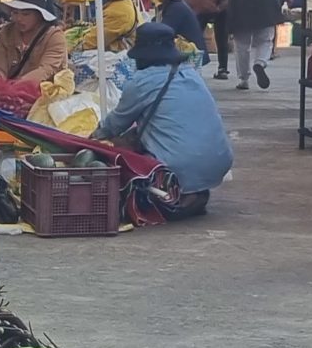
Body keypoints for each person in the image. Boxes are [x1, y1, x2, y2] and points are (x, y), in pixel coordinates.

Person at [96, 22, 233, 218]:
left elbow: (115, 124)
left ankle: (171, 195)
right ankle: (190, 193)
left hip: (183, 163)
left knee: (120, 151)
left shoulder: (142, 81)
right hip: (219, 161)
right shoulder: (191, 74)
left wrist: (91, 138)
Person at [0, 0, 69, 83]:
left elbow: (46, 70)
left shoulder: (54, 36)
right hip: (10, 90)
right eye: (15, 13)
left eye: (26, 14)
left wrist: (19, 84)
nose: (19, 19)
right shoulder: (6, 33)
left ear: (39, 15)